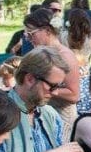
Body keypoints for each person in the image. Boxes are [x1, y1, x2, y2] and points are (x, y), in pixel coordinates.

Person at [24, 8, 83, 138]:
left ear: (47, 30)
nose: (28, 38)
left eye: (31, 34)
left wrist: (45, 89)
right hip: (41, 115)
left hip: (61, 118)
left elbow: (74, 95)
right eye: (26, 34)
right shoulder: (38, 53)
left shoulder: (65, 56)